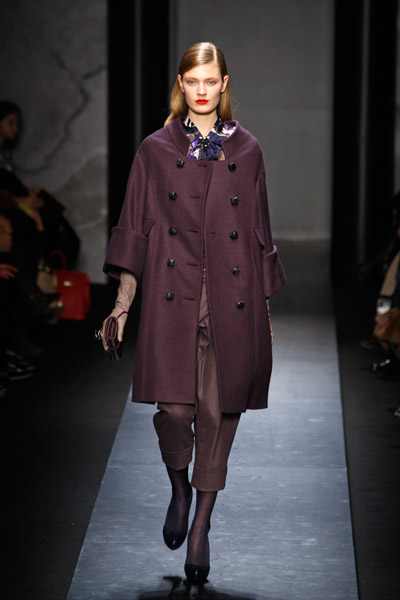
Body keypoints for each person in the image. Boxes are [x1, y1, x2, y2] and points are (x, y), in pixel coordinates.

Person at [102, 42, 286, 585]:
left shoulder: (248, 150)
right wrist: (121, 306)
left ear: (224, 84)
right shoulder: (156, 150)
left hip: (234, 296)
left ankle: (201, 525)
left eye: (211, 81)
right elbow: (135, 228)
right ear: (181, 84)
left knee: (219, 413)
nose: (202, 90)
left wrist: (265, 317)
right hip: (172, 292)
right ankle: (179, 488)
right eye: (192, 81)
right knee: (176, 412)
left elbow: (260, 233)